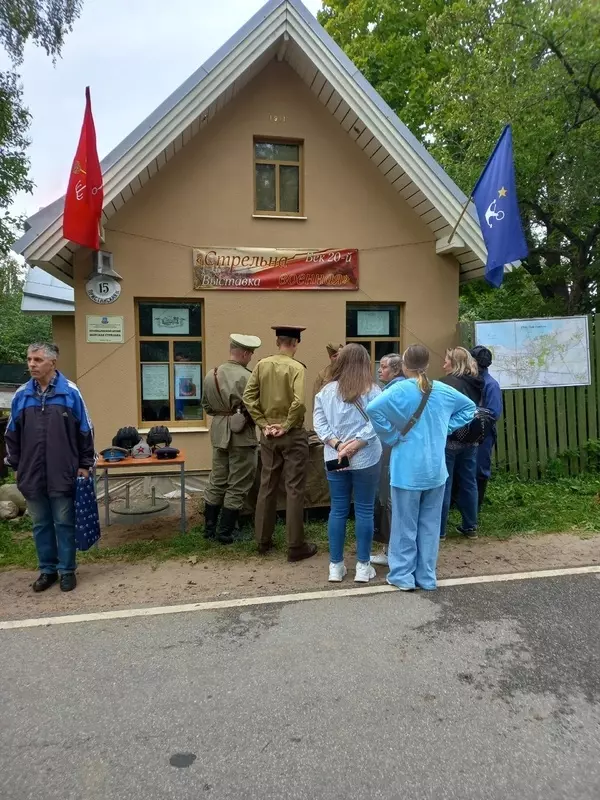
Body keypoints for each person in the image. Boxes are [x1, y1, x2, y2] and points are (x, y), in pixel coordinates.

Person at [366, 344, 475, 591]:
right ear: (427, 365)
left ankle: (403, 575)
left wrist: (392, 436)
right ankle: (426, 576)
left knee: (404, 524)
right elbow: (470, 409)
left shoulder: (400, 389)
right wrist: (446, 427)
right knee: (430, 525)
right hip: (435, 470)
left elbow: (373, 410)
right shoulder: (443, 390)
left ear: (404, 365)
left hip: (406, 469)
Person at [4, 342, 95, 593]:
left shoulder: (70, 393)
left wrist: (85, 464)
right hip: (31, 471)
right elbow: (11, 434)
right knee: (40, 524)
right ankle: (47, 571)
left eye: (37, 360)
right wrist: (16, 465)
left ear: (52, 363)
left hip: (62, 470)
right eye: (29, 359)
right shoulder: (22, 395)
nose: (31, 364)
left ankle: (67, 570)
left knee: (64, 522)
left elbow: (85, 431)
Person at [243, 325, 317, 562]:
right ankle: (295, 546)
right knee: (294, 488)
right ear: (295, 343)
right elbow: (299, 402)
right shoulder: (297, 368)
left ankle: (262, 541)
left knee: (267, 485)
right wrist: (285, 425)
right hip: (291, 433)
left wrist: (263, 423)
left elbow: (249, 397)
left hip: (268, 435)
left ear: (277, 342)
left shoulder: (261, 365)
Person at [313, 343, 382, 582]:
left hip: (335, 456)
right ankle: (363, 566)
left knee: (338, 509)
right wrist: (357, 444)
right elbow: (378, 422)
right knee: (364, 509)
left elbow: (319, 425)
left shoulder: (325, 392)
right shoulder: (373, 391)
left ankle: (336, 565)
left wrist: (338, 445)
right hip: (367, 457)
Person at [202, 333, 262, 544]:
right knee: (238, 482)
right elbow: (257, 408)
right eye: (251, 354)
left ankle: (209, 528)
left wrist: (222, 414)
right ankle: (225, 532)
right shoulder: (248, 376)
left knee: (217, 479)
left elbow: (207, 407)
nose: (251, 357)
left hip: (218, 432)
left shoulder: (212, 374)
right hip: (241, 434)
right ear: (244, 353)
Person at [439, 347, 484, 540]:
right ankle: (470, 526)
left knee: (444, 483)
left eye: (447, 361)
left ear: (455, 363)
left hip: (450, 438)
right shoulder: (476, 382)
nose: (444, 364)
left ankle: (439, 530)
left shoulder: (446, 384)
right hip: (471, 439)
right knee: (469, 482)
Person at [371, 354, 405, 566]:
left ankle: (392, 550)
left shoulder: (393, 391)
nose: (379, 370)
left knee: (389, 500)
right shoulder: (402, 387)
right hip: (393, 450)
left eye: (383, 367)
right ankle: (391, 548)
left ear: (395, 370)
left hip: (389, 450)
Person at [471, 345, 502, 508]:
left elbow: (493, 413)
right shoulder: (475, 382)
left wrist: (471, 411)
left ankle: (478, 503)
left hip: (484, 433)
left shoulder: (491, 385)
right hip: (471, 432)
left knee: (480, 468)